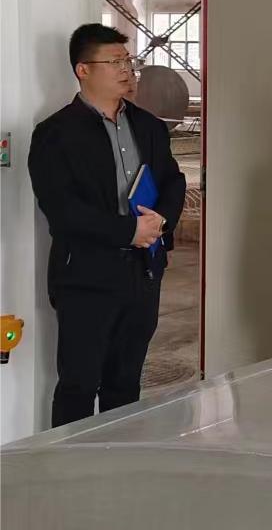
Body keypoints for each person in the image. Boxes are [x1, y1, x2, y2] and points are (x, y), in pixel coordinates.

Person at [27, 24, 186, 427]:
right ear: (83, 70)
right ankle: (71, 462)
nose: (126, 70)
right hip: (86, 277)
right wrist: (128, 232)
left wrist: (161, 221)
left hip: (143, 272)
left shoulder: (148, 126)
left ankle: (119, 456)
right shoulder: (55, 134)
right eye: (114, 62)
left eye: (127, 61)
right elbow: (62, 210)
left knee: (125, 382)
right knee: (79, 384)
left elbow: (173, 181)